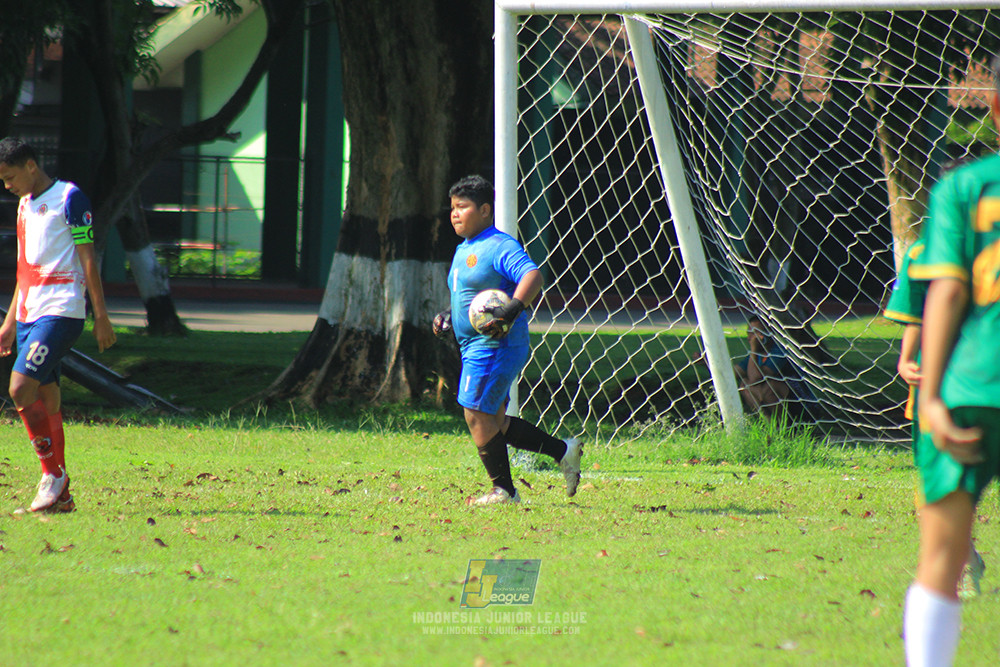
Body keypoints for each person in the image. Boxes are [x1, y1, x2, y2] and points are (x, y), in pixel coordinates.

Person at [902, 53, 1000, 666]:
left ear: (992, 103)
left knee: (941, 558)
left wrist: (930, 395)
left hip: (974, 385)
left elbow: (948, 290)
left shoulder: (965, 187)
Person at [433, 175, 582, 505]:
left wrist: (512, 310)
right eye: (453, 208)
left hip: (496, 345)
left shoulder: (498, 245)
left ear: (485, 210)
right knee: (494, 420)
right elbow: (470, 298)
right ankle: (563, 451)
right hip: (472, 346)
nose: (455, 214)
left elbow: (533, 275)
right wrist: (448, 316)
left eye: (463, 207)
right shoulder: (464, 249)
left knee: (474, 413)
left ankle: (504, 491)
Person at [0, 138, 116, 513]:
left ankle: (53, 475)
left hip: (61, 311)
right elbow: (24, 270)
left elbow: (87, 259)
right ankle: (61, 497)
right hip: (29, 314)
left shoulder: (70, 198)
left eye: (10, 176)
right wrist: (9, 323)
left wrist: (100, 315)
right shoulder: (23, 206)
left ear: (31, 166)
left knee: (19, 389)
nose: (7, 185)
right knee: (47, 398)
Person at [884, 226, 984, 603]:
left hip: (974, 377)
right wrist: (907, 358)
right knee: (941, 481)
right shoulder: (924, 251)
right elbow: (917, 313)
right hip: (939, 379)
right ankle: (961, 560)